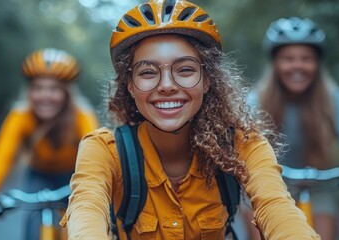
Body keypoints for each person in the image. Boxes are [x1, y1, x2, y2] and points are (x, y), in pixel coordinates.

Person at [60, 1, 319, 239]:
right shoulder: (104, 150)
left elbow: (276, 206)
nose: (167, 86)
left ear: (208, 80)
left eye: (185, 70)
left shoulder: (243, 145)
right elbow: (87, 209)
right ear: (129, 86)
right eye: (148, 72)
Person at [243, 17, 339, 240]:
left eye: (306, 59)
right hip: (266, 185)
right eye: (288, 59)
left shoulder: (335, 99)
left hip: (317, 185)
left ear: (317, 64)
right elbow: (243, 140)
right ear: (275, 64)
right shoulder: (256, 100)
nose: (297, 66)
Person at [0, 48, 99, 240]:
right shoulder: (20, 115)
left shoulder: (82, 116)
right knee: (32, 224)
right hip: (39, 175)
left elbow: (95, 153)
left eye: (54, 89)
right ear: (29, 91)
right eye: (38, 88)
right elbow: (2, 155)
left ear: (66, 94)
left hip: (74, 176)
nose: (45, 96)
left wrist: (99, 185)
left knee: (80, 227)